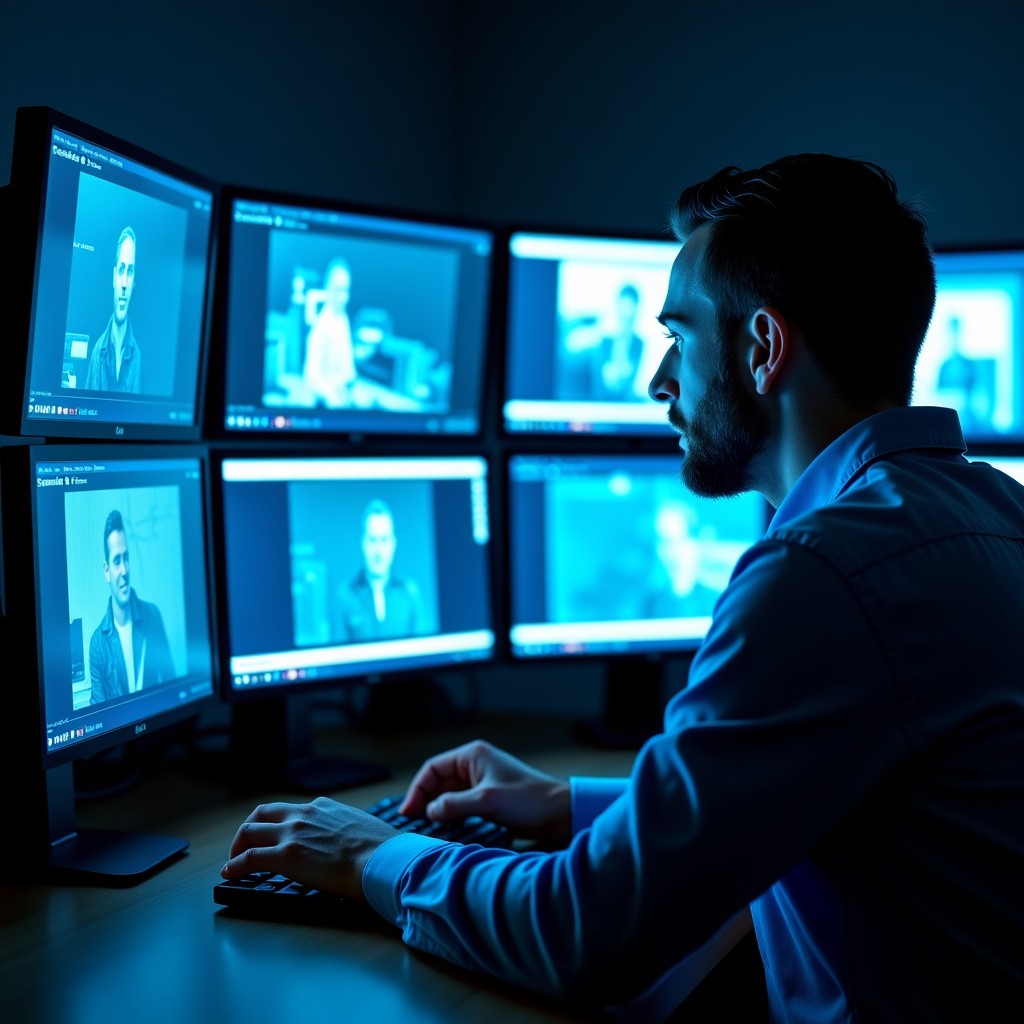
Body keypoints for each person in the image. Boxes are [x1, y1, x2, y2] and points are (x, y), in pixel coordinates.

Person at [223, 156, 1024, 1020]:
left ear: (761, 349)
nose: (658, 383)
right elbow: (803, 795)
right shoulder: (993, 513)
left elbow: (587, 936)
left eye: (678, 337)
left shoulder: (822, 574)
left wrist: (370, 857)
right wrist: (566, 802)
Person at [89, 509, 176, 704]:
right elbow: (98, 711)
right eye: (117, 561)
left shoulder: (152, 616)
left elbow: (172, 686)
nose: (124, 570)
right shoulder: (97, 645)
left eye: (126, 558)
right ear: (107, 571)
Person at [336, 498, 423, 641]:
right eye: (372, 540)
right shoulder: (345, 595)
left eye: (384, 540)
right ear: (363, 543)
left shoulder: (410, 592)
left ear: (393, 544)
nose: (378, 551)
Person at [85, 226, 142, 393]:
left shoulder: (136, 356)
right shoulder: (98, 352)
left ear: (133, 284)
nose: (124, 283)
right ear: (114, 277)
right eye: (121, 269)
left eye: (130, 271)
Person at [641, 499, 719, 619]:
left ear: (696, 542)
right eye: (664, 542)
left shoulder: (719, 603)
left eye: (679, 540)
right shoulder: (647, 606)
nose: (671, 553)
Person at [302, 257, 357, 407]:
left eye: (346, 290)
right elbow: (311, 377)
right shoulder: (321, 326)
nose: (344, 297)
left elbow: (348, 367)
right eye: (339, 290)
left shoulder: (343, 318)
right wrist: (332, 397)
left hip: (343, 397)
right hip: (325, 405)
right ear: (328, 288)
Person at [591, 282, 646, 401]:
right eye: (623, 311)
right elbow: (598, 385)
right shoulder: (604, 342)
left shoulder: (639, 344)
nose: (626, 316)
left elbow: (631, 384)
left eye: (630, 311)